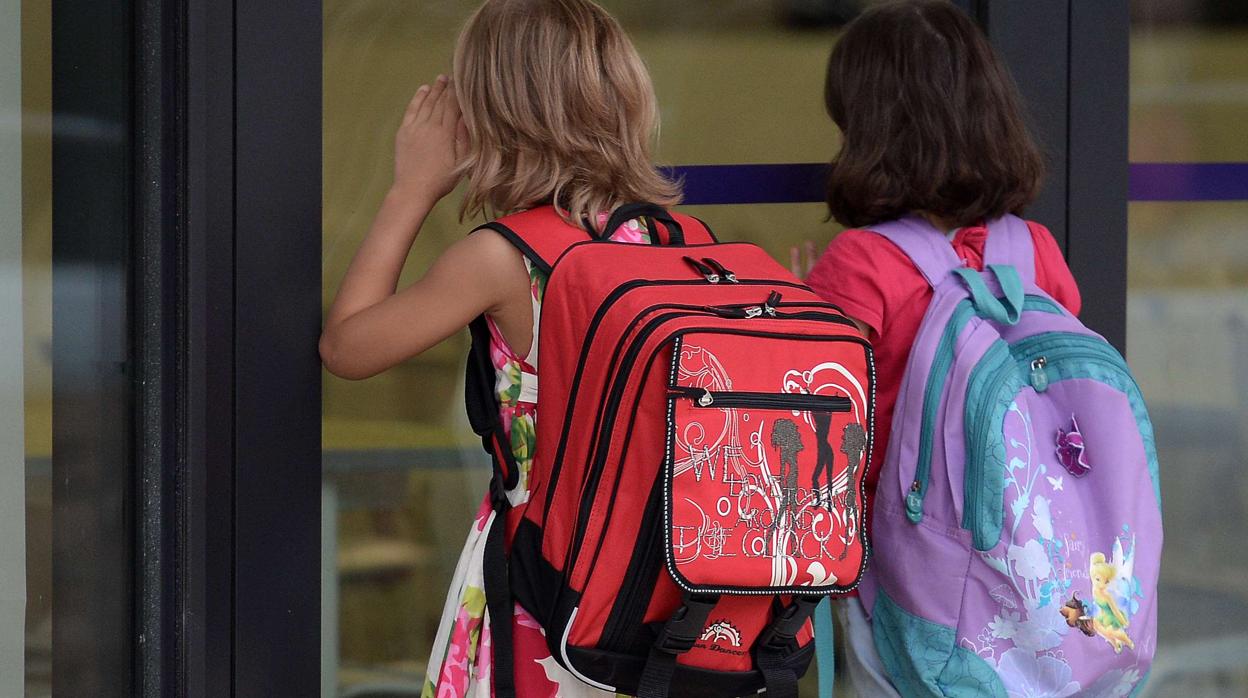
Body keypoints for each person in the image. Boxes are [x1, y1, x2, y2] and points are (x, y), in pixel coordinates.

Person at [318, 1, 681, 695]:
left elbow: (348, 347)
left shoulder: (506, 257)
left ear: (488, 118)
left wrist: (412, 189)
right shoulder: (666, 244)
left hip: (546, 581)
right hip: (652, 585)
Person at [799, 1, 1083, 694]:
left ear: (866, 129)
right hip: (1036, 573)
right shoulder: (1033, 250)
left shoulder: (860, 264)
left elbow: (824, 434)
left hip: (909, 586)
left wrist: (803, 307)